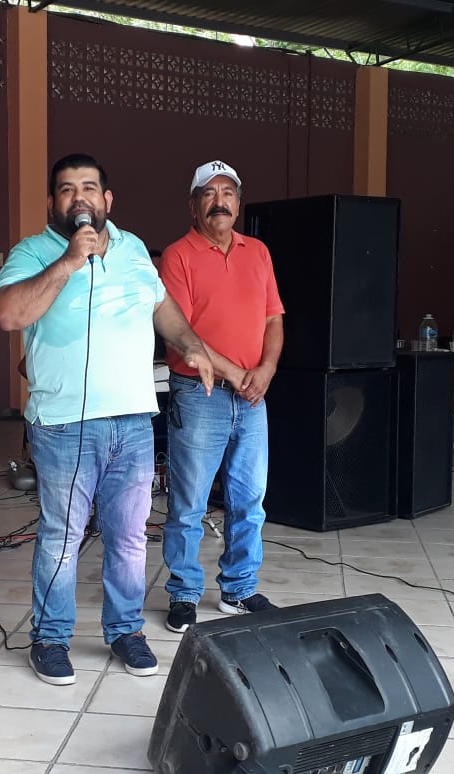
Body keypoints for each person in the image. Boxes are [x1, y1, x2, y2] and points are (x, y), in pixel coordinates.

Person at [0, 152, 213, 686]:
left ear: (108, 200)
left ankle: (125, 630)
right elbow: (9, 315)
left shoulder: (136, 249)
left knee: (130, 535)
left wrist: (191, 344)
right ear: (53, 202)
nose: (79, 198)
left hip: (135, 421)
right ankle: (49, 638)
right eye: (67, 190)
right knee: (62, 536)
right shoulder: (32, 253)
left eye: (89, 188)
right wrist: (69, 261)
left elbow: (161, 307)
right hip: (66, 423)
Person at [158, 159, 285, 634]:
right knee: (189, 503)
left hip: (253, 395)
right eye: (208, 194)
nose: (220, 201)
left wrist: (267, 369)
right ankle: (185, 593)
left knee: (250, 499)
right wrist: (238, 373)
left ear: (238, 203)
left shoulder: (258, 252)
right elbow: (180, 334)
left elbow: (274, 318)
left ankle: (239, 588)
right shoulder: (178, 255)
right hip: (200, 393)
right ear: (194, 206)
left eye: (228, 192)